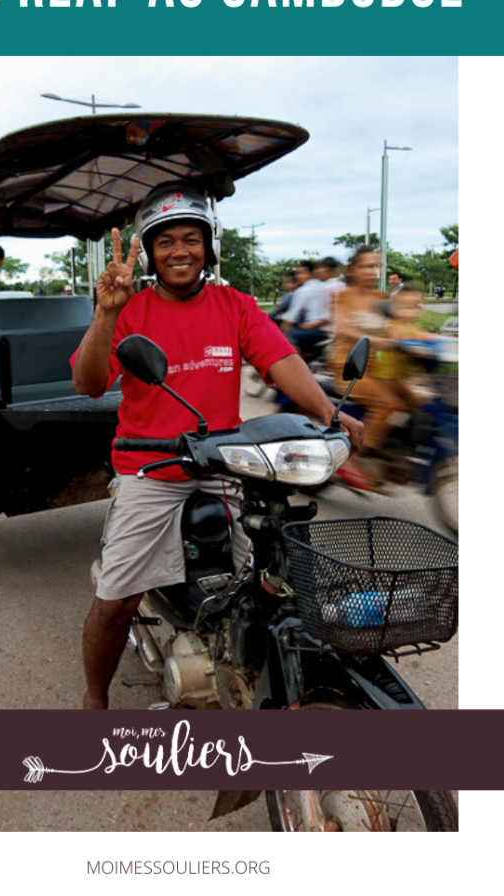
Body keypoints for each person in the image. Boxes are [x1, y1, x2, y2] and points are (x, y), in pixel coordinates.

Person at [71, 181, 364, 709]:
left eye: (191, 238)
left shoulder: (234, 305)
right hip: (152, 468)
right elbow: (89, 383)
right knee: (116, 600)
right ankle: (95, 699)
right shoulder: (131, 311)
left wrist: (327, 410)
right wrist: (105, 313)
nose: (179, 251)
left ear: (209, 246)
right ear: (151, 254)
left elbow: (279, 361)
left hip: (225, 463)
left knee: (281, 578)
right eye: (165, 242)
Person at [328, 246, 411, 490]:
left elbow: (398, 324)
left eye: (375, 266)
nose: (371, 271)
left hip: (377, 370)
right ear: (352, 270)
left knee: (413, 399)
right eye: (365, 265)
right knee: (389, 403)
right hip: (350, 370)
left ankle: (393, 458)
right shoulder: (343, 296)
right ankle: (352, 458)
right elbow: (343, 328)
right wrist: (377, 340)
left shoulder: (379, 298)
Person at [279, 260, 330, 356]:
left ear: (310, 273)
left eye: (302, 273)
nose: (298, 276)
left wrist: (283, 329)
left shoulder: (303, 290)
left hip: (316, 331)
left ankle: (295, 367)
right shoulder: (324, 286)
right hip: (326, 330)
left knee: (289, 336)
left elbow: (291, 317)